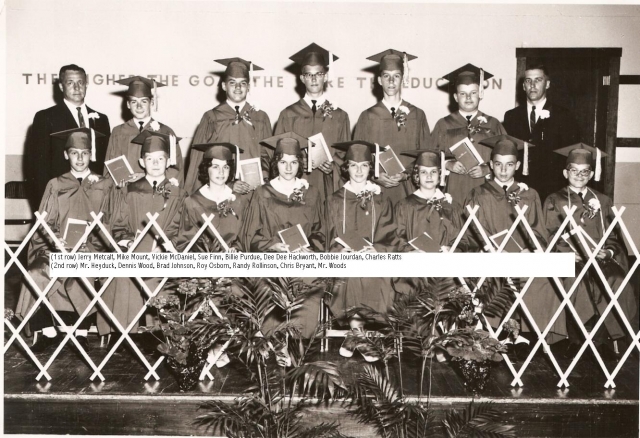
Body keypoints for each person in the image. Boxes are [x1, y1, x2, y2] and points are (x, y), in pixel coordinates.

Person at [15, 127, 112, 352]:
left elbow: (110, 221)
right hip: (56, 248)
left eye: (85, 153)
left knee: (84, 272)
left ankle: (80, 331)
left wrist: (91, 246)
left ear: (91, 155)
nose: (80, 158)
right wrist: (56, 242)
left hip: (91, 250)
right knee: (36, 272)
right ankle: (47, 329)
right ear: (66, 154)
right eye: (74, 152)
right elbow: (43, 223)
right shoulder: (55, 184)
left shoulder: (104, 185)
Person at [465, 134, 567, 348]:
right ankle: (496, 332)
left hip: (522, 257)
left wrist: (531, 249)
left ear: (517, 165)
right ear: (491, 165)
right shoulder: (479, 194)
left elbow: (539, 230)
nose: (503, 170)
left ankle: (533, 334)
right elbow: (472, 231)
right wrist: (488, 248)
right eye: (499, 165)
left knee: (545, 279)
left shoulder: (529, 194)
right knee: (494, 276)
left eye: (509, 165)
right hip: (491, 257)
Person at [543, 143, 637, 360]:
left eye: (584, 171)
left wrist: (609, 253)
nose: (579, 175)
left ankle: (602, 338)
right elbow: (548, 233)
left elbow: (614, 236)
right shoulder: (554, 200)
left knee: (616, 278)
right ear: (566, 172)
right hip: (570, 258)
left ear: (592, 173)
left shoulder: (603, 200)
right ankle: (578, 339)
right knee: (579, 281)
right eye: (574, 170)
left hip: (600, 259)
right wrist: (566, 253)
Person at [97, 131, 186, 348]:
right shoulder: (128, 191)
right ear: (141, 161)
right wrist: (127, 243)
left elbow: (184, 228)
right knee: (121, 276)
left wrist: (168, 246)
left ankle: (156, 333)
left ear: (168, 162)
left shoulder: (179, 194)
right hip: (133, 252)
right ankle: (125, 332)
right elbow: (118, 225)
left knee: (163, 276)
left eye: (160, 159)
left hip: (166, 253)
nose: (155, 164)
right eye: (150, 159)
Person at [240, 132, 325, 338]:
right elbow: (250, 234)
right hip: (271, 260)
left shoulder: (312, 192)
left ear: (300, 164)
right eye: (283, 162)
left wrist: (310, 248)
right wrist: (271, 246)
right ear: (275, 163)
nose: (288, 168)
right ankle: (275, 342)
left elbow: (320, 230)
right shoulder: (262, 193)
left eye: (294, 162)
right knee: (268, 283)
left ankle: (299, 345)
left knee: (310, 282)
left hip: (303, 259)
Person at [325, 141, 396, 360]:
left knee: (375, 276)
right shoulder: (335, 199)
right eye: (354, 165)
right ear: (346, 167)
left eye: (364, 165)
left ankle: (354, 336)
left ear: (370, 168)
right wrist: (339, 250)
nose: (358, 170)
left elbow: (390, 231)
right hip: (344, 258)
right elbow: (327, 231)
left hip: (374, 257)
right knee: (351, 275)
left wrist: (376, 249)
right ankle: (360, 337)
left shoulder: (381, 198)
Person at [353, 49, 432, 205]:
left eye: (396, 76)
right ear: (379, 80)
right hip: (376, 190)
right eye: (386, 76)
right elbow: (358, 157)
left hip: (409, 189)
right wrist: (375, 175)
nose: (391, 81)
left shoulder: (417, 115)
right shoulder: (367, 116)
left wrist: (406, 174)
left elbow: (426, 154)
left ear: (402, 79)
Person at [184, 58, 272, 195]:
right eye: (232, 83)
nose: (238, 87)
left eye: (243, 83)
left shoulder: (261, 118)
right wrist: (228, 183)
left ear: (249, 87)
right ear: (224, 86)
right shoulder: (211, 118)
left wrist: (263, 177)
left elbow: (267, 155)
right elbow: (199, 160)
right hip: (221, 191)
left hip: (255, 192)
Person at [275, 43, 351, 201]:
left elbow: (346, 157)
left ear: (326, 76)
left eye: (319, 73)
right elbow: (277, 156)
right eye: (309, 75)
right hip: (296, 186)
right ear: (302, 78)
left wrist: (333, 167)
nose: (314, 78)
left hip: (329, 187)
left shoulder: (340, 116)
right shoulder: (288, 114)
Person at [27, 64, 111, 207]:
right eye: (70, 83)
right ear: (61, 86)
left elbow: (106, 160)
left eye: (81, 82)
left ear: (86, 85)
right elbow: (38, 167)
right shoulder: (46, 117)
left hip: (95, 197)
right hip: (61, 197)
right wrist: (46, 203)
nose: (77, 88)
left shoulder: (101, 119)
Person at [503, 64, 580, 201]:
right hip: (519, 186)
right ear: (523, 86)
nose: (532, 85)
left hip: (552, 187)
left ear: (547, 84)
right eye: (528, 80)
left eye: (538, 80)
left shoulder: (563, 115)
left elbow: (570, 153)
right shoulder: (511, 116)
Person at [432, 64, 507, 204]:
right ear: (455, 97)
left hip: (486, 186)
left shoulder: (493, 124)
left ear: (480, 94)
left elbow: (505, 155)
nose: (468, 97)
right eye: (462, 93)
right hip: (454, 186)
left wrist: (487, 169)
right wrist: (447, 164)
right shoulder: (443, 124)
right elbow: (430, 154)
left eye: (473, 92)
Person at [104, 76, 184, 186]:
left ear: (151, 103)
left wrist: (147, 177)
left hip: (155, 192)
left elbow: (176, 169)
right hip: (126, 193)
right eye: (134, 102)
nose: (139, 106)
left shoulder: (166, 131)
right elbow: (110, 168)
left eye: (144, 101)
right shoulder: (118, 132)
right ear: (128, 104)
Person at [176, 143, 246, 253]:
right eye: (215, 166)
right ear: (206, 169)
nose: (221, 172)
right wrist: (207, 252)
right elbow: (184, 242)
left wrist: (236, 249)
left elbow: (244, 236)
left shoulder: (238, 200)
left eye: (226, 167)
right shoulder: (192, 202)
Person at [395, 149, 466, 253]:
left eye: (433, 171)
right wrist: (411, 252)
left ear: (440, 175)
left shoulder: (452, 206)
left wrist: (452, 250)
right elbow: (397, 240)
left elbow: (463, 240)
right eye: (423, 172)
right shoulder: (404, 206)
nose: (429, 176)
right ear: (416, 175)